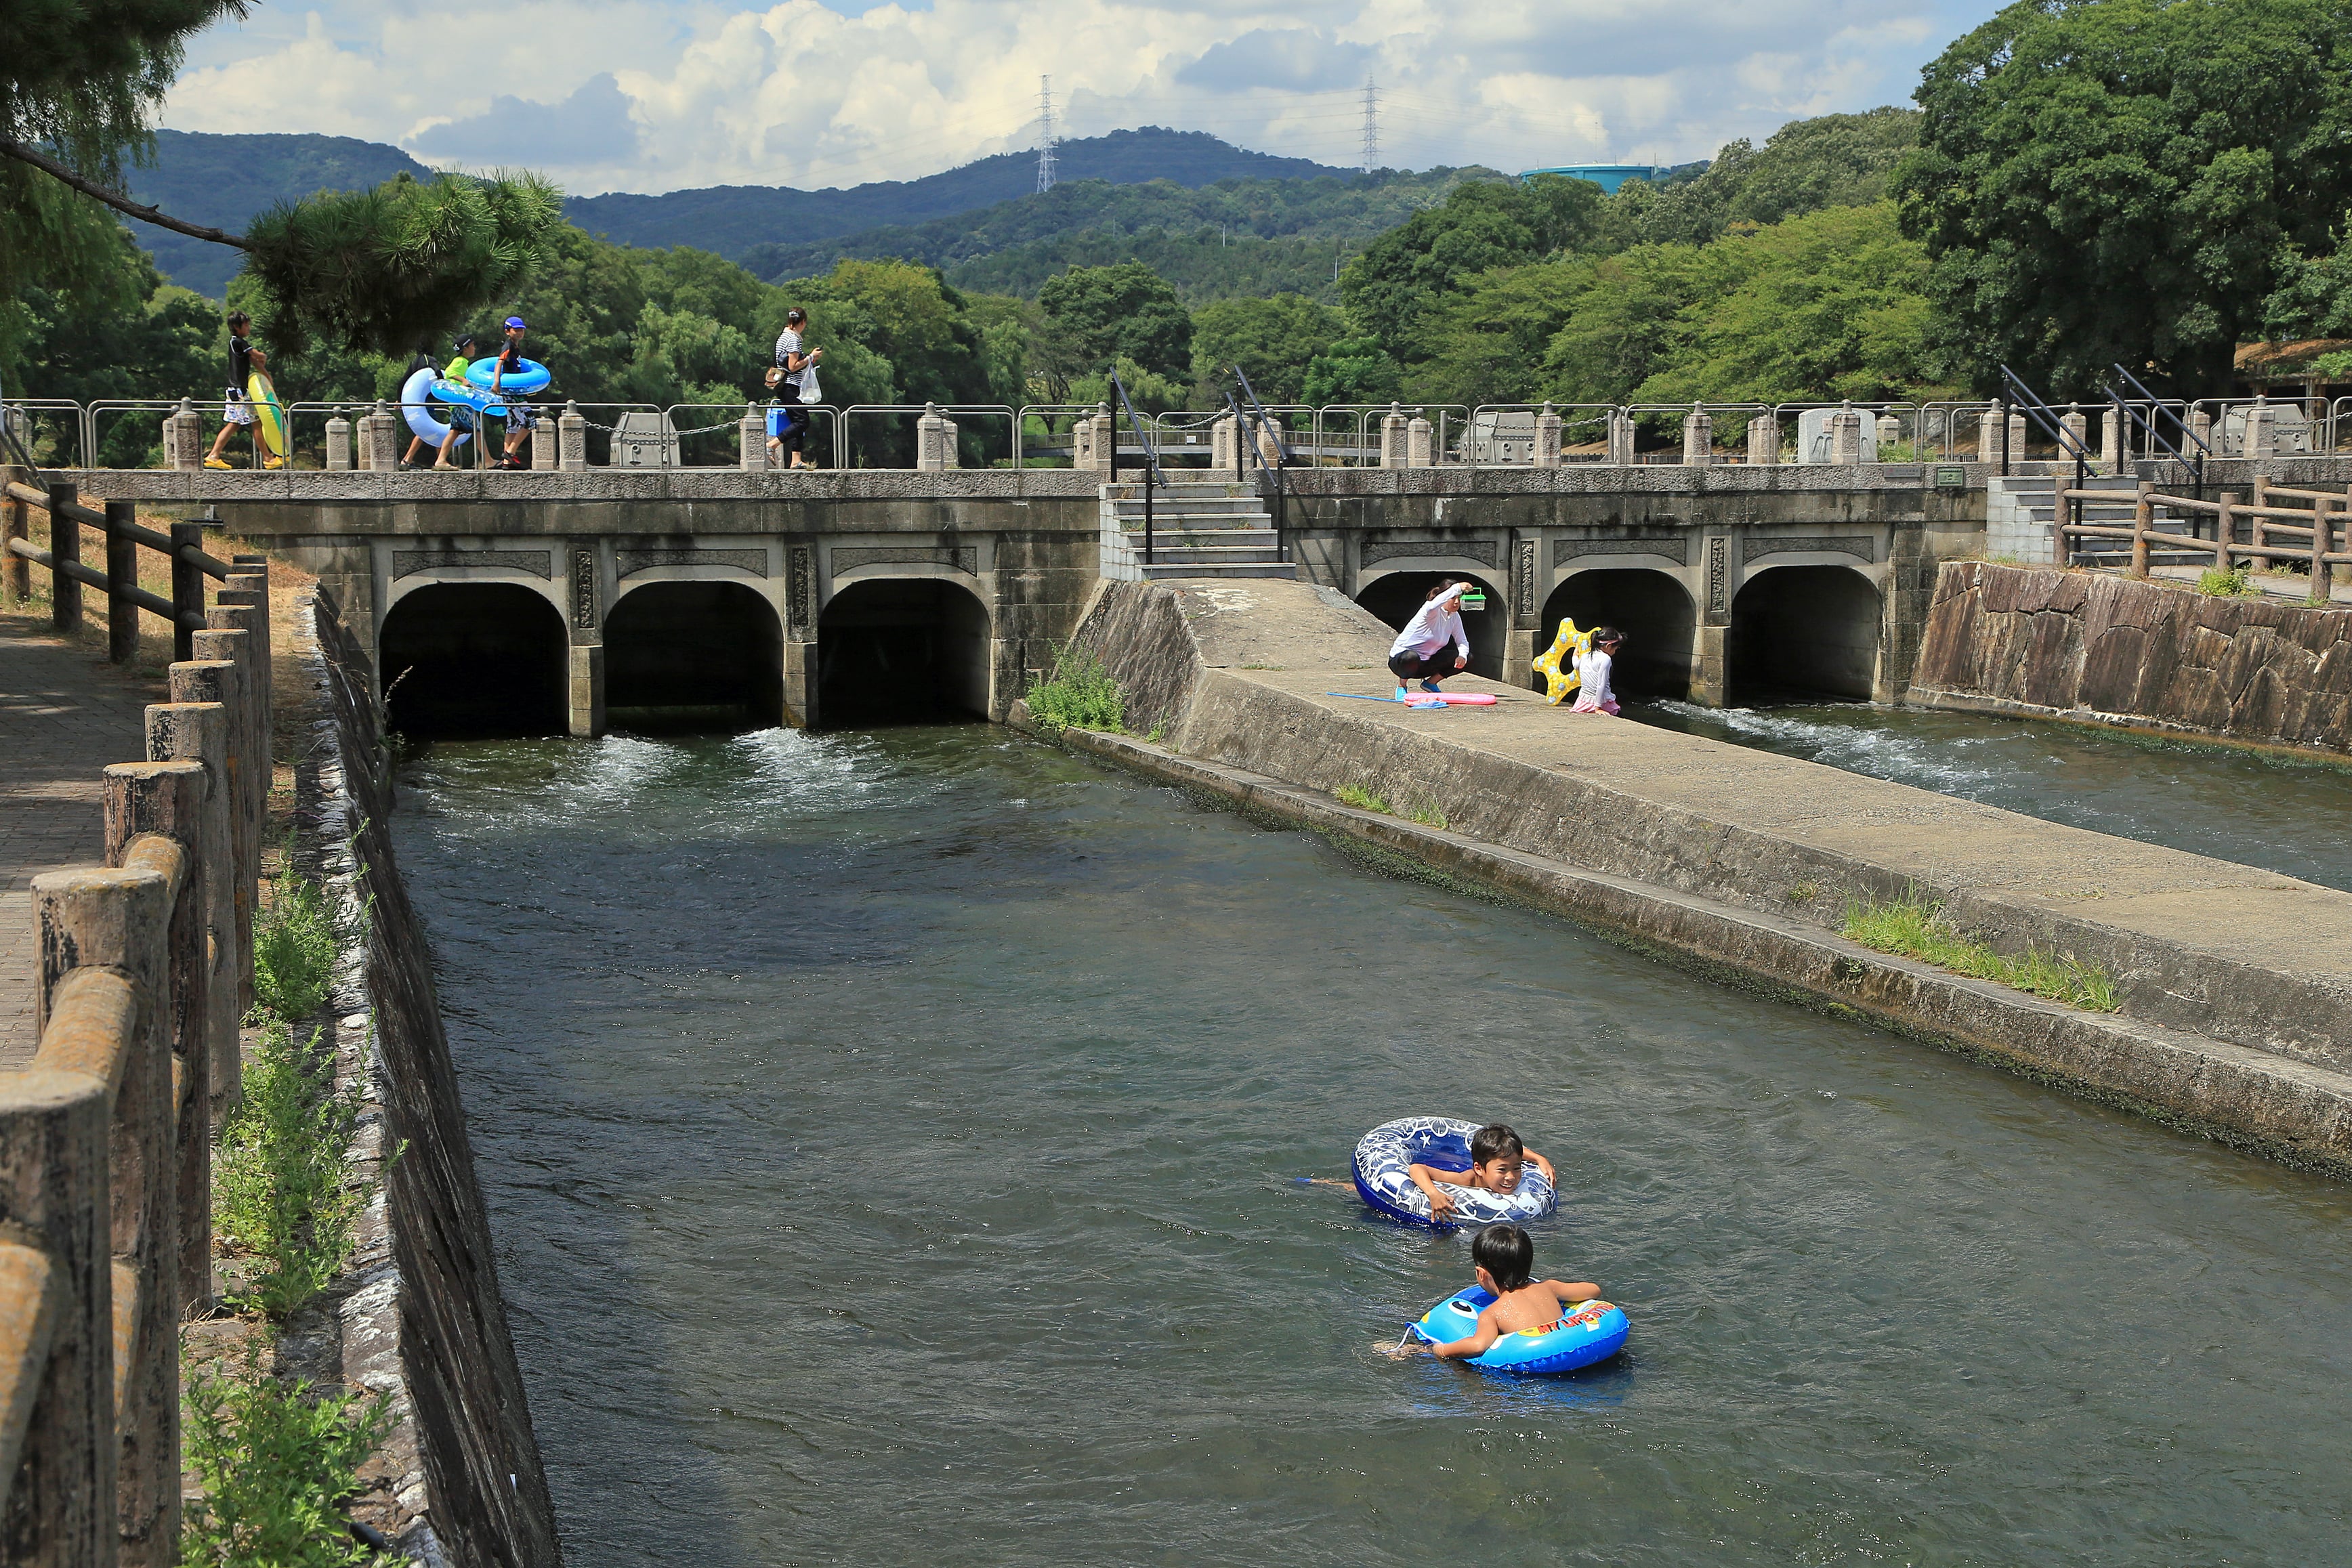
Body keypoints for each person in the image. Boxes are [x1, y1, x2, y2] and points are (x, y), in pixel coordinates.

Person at [1421, 1224, 1602, 1362]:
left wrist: (1438, 1350)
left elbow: (1477, 1346)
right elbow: (1593, 1290)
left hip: (1532, 1364)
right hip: (1574, 1346)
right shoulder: (1550, 1288)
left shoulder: (1492, 1314)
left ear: (1481, 1274)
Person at [1408, 1122, 1557, 1225]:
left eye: (1517, 1168)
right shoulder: (1466, 1180)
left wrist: (1539, 1159)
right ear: (1479, 1169)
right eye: (1502, 1170)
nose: (1511, 1177)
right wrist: (1433, 1194)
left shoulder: (1510, 1171)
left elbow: (1514, 1153)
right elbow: (1416, 1168)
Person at [203, 311, 280, 470]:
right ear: (236, 327)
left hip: (237, 390)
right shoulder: (238, 342)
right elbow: (259, 356)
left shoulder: (239, 344)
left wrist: (267, 377)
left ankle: (214, 456)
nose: (249, 328)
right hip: (239, 391)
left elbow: (255, 360)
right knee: (253, 423)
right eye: (246, 325)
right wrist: (264, 359)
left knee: (236, 424)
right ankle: (268, 459)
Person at [1387, 579, 1473, 696]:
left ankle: (1430, 683)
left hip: (1425, 664)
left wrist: (1462, 656)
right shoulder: (1429, 610)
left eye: (1459, 598)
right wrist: (1457, 587)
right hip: (1402, 662)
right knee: (1411, 656)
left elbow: (1462, 641)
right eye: (1453, 598)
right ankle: (1402, 685)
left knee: (1468, 657)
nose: (1457, 602)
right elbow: (1433, 605)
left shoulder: (1454, 617)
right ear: (1443, 597)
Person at [768, 308, 824, 469]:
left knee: (797, 421)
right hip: (791, 386)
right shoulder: (794, 339)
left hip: (786, 385)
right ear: (803, 322)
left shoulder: (783, 337)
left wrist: (809, 360)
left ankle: (796, 460)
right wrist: (811, 357)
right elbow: (793, 366)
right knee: (802, 421)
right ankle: (772, 444)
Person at [425, 332, 481, 471]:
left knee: (457, 431)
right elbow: (449, 373)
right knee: (477, 429)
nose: (475, 348)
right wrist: (463, 381)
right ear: (466, 348)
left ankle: (441, 460)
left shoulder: (464, 362)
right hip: (459, 403)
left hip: (458, 403)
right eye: (472, 345)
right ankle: (488, 460)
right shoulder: (460, 361)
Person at [488, 316, 536, 470]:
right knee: (530, 421)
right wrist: (496, 382)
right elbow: (499, 362)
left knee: (513, 425)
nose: (520, 332)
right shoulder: (508, 346)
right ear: (508, 331)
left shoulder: (516, 348)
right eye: (516, 330)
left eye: (522, 329)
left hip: (516, 391)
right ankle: (510, 453)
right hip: (510, 392)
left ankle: (507, 463)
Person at [1570, 626, 1626, 715]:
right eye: (1616, 649)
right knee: (1620, 715)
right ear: (1608, 646)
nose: (1615, 652)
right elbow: (1601, 684)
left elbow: (1576, 665)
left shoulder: (1585, 656)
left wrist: (1576, 651)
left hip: (1583, 702)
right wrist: (1598, 708)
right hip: (1601, 703)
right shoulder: (1605, 659)